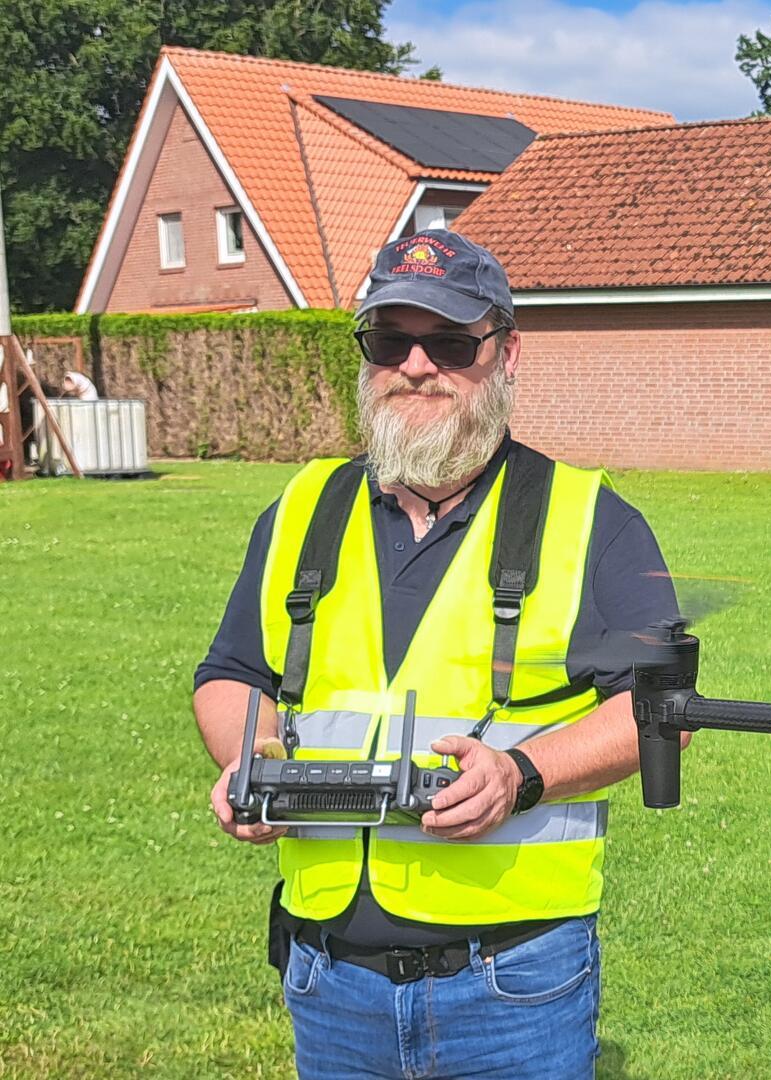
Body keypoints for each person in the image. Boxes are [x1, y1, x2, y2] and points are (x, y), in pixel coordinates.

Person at [193, 229, 679, 1079]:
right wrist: (250, 761)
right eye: (390, 339)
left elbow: (662, 713)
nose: (417, 365)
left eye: (451, 342)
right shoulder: (301, 509)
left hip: (511, 984)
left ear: (507, 353)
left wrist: (520, 774)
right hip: (327, 976)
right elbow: (233, 673)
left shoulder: (593, 520)